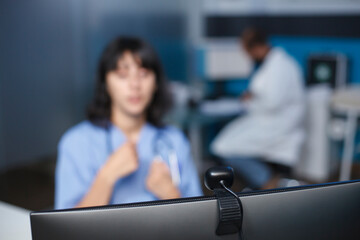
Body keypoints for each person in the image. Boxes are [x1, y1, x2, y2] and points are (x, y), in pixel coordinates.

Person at [55, 37, 202, 209]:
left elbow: (197, 223)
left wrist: (171, 194)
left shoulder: (174, 140)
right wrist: (106, 178)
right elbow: (66, 229)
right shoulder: (76, 143)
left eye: (143, 74)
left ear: (156, 83)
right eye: (122, 75)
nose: (134, 85)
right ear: (105, 84)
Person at [211, 28, 305, 190]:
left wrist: (251, 98)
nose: (247, 56)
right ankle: (262, 180)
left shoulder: (280, 67)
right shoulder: (272, 63)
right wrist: (253, 97)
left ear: (256, 48)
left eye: (247, 51)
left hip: (277, 124)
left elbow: (272, 103)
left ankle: (266, 181)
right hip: (266, 120)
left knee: (223, 147)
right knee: (221, 144)